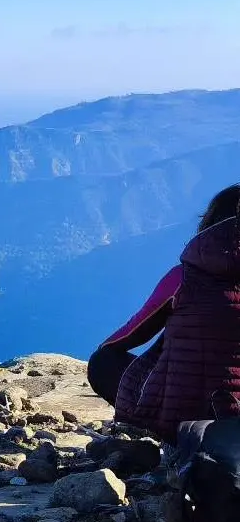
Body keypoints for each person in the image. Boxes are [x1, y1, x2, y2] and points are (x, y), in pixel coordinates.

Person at [88, 185, 240, 443]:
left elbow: (124, 338)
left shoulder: (182, 277)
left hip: (175, 423)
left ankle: (150, 435)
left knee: (103, 362)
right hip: (235, 424)